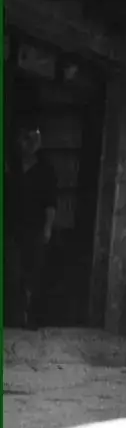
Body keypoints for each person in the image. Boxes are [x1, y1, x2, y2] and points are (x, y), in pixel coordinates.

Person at [4, 116, 57, 329]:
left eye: (30, 139)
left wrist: (47, 229)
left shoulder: (45, 170)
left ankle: (30, 317)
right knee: (13, 272)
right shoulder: (12, 167)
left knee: (33, 274)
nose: (26, 144)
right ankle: (14, 316)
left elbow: (50, 203)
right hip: (12, 228)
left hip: (34, 228)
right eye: (23, 139)